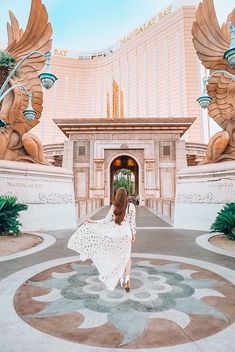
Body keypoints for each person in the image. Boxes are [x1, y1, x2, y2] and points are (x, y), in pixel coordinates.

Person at [67, 187, 136, 292]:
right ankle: (127, 279)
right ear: (126, 195)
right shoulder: (131, 206)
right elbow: (133, 222)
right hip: (126, 234)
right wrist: (133, 234)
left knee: (117, 256)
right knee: (127, 257)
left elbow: (105, 221)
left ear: (117, 195)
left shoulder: (114, 206)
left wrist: (93, 222)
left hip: (115, 234)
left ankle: (120, 278)